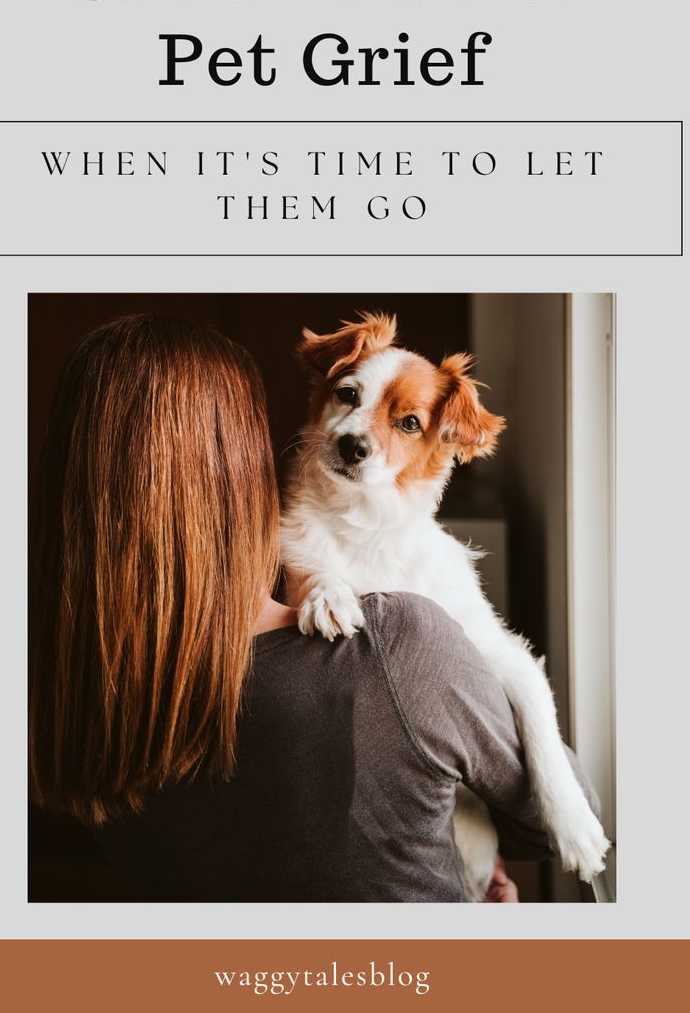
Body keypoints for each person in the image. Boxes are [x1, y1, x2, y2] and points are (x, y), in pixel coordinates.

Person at [30, 313, 598, 902]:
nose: (356, 432)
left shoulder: (73, 691)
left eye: (402, 422)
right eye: (345, 397)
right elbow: (552, 821)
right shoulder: (398, 645)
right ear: (241, 460)